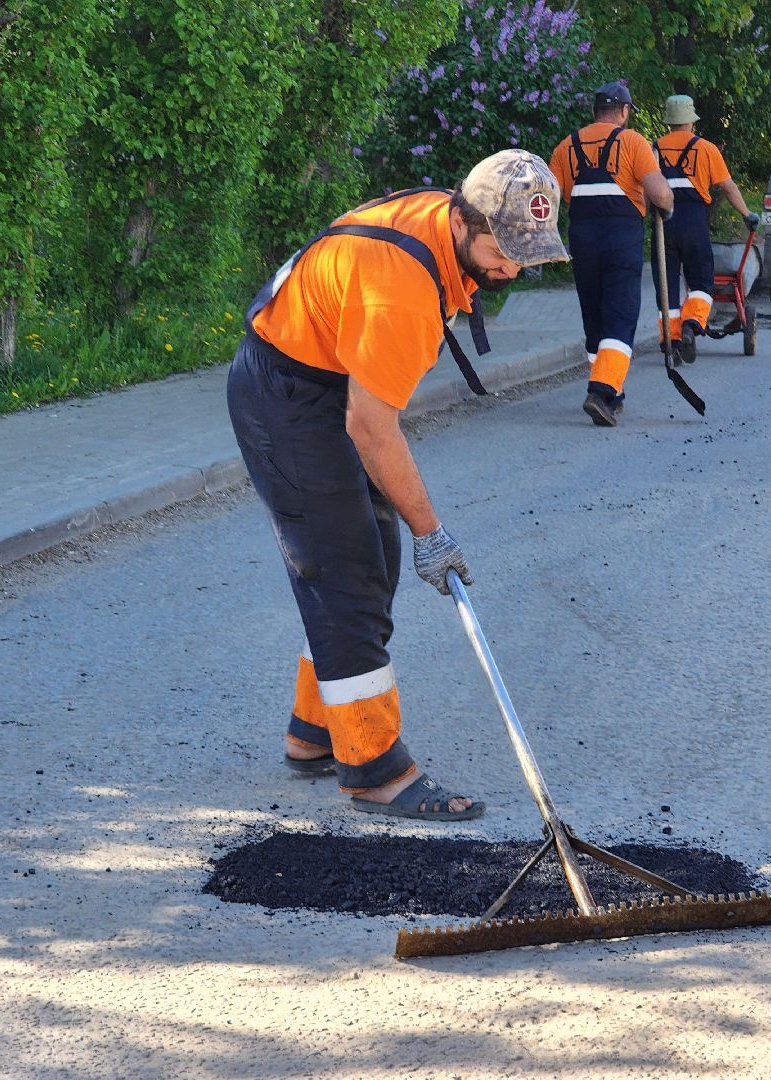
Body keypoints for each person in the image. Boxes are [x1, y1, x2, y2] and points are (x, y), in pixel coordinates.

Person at [227, 149, 569, 823]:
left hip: (319, 381)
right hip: (290, 396)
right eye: (505, 251)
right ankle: (374, 771)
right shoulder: (404, 286)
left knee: (368, 563)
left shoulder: (439, 226)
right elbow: (373, 427)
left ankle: (315, 731)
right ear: (467, 221)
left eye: (528, 253)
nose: (514, 269)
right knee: (347, 574)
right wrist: (431, 533)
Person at [549, 81, 674, 427]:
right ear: (623, 112)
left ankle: (612, 392)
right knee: (620, 314)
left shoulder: (565, 148)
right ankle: (602, 391)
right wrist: (667, 207)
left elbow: (550, 198)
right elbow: (660, 194)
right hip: (621, 239)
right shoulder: (633, 142)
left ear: (594, 111)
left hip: (582, 239)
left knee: (595, 316)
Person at [652, 94, 759, 360]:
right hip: (694, 222)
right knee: (700, 280)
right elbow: (728, 187)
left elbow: (643, 189)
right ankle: (691, 325)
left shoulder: (652, 149)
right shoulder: (706, 149)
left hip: (663, 224)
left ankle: (671, 343)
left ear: (669, 122)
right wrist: (747, 214)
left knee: (666, 287)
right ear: (691, 122)